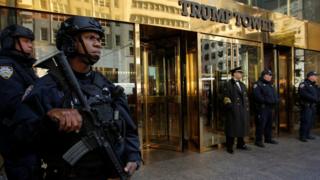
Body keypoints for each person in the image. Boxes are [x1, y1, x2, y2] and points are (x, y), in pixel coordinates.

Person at [13, 16, 141, 179]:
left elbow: (128, 128)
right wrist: (49, 118)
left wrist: (133, 156)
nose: (98, 43)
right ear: (71, 42)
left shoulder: (106, 86)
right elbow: (19, 136)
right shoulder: (46, 87)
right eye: (90, 38)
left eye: (99, 39)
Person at [0, 24, 39, 180]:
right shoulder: (5, 67)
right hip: (16, 142)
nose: (30, 45)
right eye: (25, 41)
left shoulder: (23, 66)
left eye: (31, 41)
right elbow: (13, 103)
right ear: (11, 42)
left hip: (28, 138)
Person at [222, 66, 250, 154]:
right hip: (233, 110)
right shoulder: (228, 84)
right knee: (231, 128)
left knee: (241, 126)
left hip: (242, 110)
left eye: (241, 72)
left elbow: (245, 98)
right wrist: (231, 107)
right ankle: (229, 146)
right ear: (234, 73)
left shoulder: (242, 85)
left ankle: (240, 144)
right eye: (239, 72)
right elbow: (226, 97)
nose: (241, 74)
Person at [253, 69, 279, 148]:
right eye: (268, 75)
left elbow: (275, 95)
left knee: (269, 124)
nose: (270, 77)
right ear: (264, 76)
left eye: (271, 75)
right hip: (262, 108)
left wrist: (276, 100)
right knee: (261, 125)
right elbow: (258, 96)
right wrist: (268, 101)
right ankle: (258, 140)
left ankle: (268, 138)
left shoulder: (270, 85)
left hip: (270, 108)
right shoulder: (258, 84)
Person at [298, 71, 319, 142]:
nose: (316, 77)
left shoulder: (314, 85)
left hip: (313, 106)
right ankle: (302, 136)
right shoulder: (303, 84)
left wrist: (317, 99)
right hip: (306, 106)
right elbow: (304, 94)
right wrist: (315, 99)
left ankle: (307, 134)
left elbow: (317, 94)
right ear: (310, 76)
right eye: (315, 76)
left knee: (311, 121)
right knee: (305, 121)